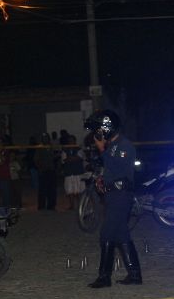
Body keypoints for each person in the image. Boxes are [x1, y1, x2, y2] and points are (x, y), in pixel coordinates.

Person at [85, 110, 142, 288]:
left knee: (107, 234)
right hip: (113, 195)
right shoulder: (113, 145)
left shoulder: (124, 145)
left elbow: (118, 166)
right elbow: (111, 170)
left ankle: (104, 277)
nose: (97, 134)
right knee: (121, 234)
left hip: (121, 195)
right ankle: (134, 274)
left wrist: (102, 148)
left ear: (106, 128)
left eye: (99, 130)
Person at [34, 132, 58, 210]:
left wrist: (56, 156)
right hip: (43, 171)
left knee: (52, 189)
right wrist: (40, 168)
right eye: (44, 138)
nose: (45, 139)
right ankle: (41, 206)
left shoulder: (51, 147)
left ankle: (51, 206)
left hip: (51, 170)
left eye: (46, 137)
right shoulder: (40, 147)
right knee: (42, 190)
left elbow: (53, 157)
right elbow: (36, 160)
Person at [61, 135, 86, 210]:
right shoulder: (65, 150)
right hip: (68, 173)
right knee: (69, 191)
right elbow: (64, 160)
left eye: (72, 140)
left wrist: (70, 158)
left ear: (75, 141)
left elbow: (79, 158)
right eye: (69, 140)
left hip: (78, 173)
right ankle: (72, 205)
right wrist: (73, 158)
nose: (70, 142)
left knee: (78, 190)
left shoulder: (79, 149)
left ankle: (80, 205)